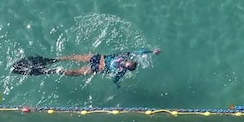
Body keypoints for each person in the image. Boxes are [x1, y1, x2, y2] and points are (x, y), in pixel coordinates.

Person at [12, 48, 161, 85]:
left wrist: (151, 51)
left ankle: (53, 61)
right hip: (96, 67)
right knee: (77, 72)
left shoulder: (123, 55)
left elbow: (138, 52)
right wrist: (118, 85)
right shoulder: (121, 71)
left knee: (71, 58)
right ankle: (55, 69)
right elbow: (115, 79)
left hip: (97, 59)